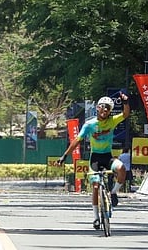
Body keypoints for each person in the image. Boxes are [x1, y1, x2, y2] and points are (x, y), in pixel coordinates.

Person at [58, 92, 129, 230]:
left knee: (122, 169)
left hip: (108, 156)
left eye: (108, 108)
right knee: (96, 186)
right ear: (97, 107)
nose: (105, 110)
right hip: (95, 158)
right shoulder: (89, 125)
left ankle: (113, 192)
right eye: (103, 107)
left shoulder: (112, 121)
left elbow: (125, 114)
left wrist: (125, 102)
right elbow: (76, 141)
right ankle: (96, 217)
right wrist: (64, 156)